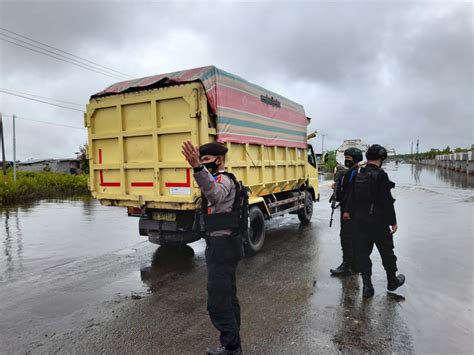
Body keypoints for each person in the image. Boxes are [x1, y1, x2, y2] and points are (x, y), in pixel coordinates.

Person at [181, 141, 243, 355]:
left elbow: (215, 195)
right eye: (202, 161)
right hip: (220, 246)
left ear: (220, 160)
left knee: (218, 300)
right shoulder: (216, 178)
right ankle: (233, 344)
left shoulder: (224, 179)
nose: (204, 165)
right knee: (227, 296)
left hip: (222, 247)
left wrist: (197, 168)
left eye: (207, 161)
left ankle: (231, 347)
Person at [344, 144, 405, 298]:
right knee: (387, 253)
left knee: (363, 254)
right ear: (381, 158)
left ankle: (367, 287)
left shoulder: (358, 172)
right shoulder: (381, 175)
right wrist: (393, 222)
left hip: (360, 221)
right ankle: (392, 281)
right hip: (378, 222)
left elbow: (351, 196)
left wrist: (347, 212)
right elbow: (386, 201)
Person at [330, 147, 363, 276]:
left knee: (346, 237)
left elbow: (351, 194)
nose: (346, 160)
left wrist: (347, 211)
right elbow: (345, 190)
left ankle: (346, 266)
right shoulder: (350, 172)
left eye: (348, 158)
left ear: (355, 159)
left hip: (350, 211)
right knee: (352, 237)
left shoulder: (355, 173)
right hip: (348, 209)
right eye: (346, 158)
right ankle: (355, 265)